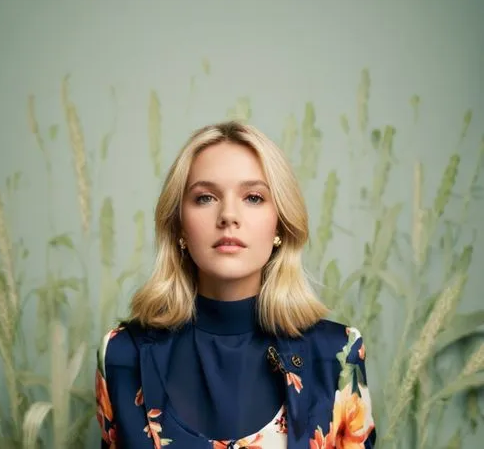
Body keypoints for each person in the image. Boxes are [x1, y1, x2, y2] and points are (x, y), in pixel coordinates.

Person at [95, 121, 376, 448]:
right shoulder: (121, 353)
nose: (228, 215)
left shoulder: (339, 353)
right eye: (205, 198)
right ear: (179, 227)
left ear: (280, 225)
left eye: (253, 197)